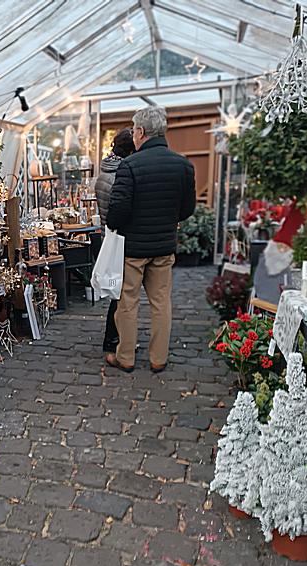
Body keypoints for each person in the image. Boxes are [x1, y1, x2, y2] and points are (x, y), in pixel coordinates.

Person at [105, 106, 196, 373]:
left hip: (133, 248)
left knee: (127, 303)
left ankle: (126, 357)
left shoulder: (129, 165)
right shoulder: (183, 165)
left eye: (134, 130)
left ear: (141, 132)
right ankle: (158, 358)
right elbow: (187, 209)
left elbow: (118, 209)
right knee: (161, 303)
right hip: (164, 246)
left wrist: (114, 225)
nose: (133, 135)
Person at [94, 128, 136, 354]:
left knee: (117, 291)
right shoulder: (122, 174)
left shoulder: (104, 171)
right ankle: (113, 338)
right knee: (120, 293)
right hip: (120, 238)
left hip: (108, 235)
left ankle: (113, 337)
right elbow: (120, 210)